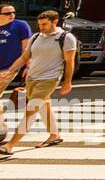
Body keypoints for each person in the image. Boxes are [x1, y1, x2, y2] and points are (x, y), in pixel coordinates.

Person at [0, 10, 75, 155]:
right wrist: (11, 70)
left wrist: (67, 82)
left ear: (55, 22)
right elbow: (24, 57)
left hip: (49, 79)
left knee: (31, 110)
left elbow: (69, 62)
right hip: (32, 78)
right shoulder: (35, 37)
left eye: (45, 24)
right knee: (44, 106)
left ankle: (10, 145)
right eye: (40, 24)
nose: (41, 27)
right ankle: (54, 135)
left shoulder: (66, 37)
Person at [0, 4, 32, 147]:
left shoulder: (20, 26)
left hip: (9, 68)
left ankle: (2, 129)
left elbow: (26, 48)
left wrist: (28, 65)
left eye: (13, 12)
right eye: (7, 13)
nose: (12, 15)